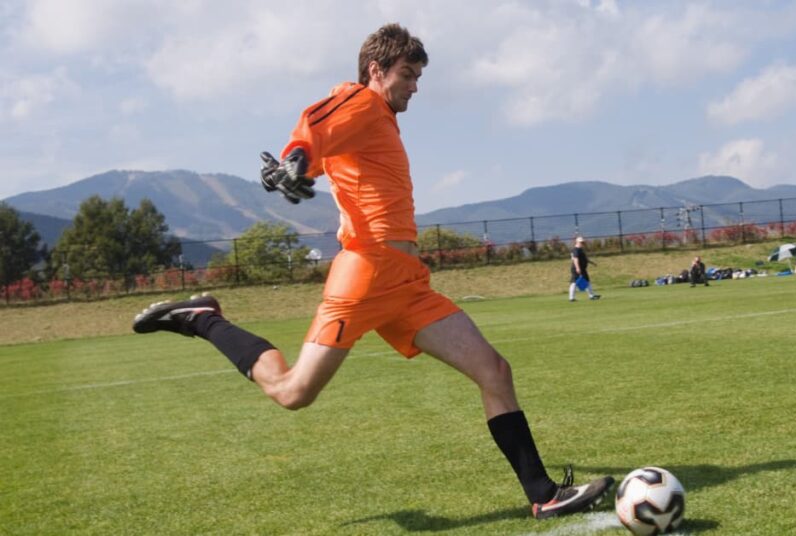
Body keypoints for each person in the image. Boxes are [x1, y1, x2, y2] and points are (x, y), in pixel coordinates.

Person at [131, 23, 612, 520]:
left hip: (405, 281)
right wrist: (296, 157)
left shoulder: (376, 120)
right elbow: (315, 124)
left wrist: (297, 167)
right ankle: (204, 318)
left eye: (419, 76)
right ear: (376, 70)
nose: (415, 86)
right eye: (408, 73)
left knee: (494, 370)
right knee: (294, 391)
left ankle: (545, 494)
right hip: (365, 273)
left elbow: (321, 152)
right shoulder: (361, 101)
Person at [568, 236, 600, 302]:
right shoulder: (576, 250)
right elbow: (575, 259)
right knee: (574, 283)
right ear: (577, 242)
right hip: (577, 269)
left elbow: (584, 258)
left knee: (587, 281)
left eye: (583, 242)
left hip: (582, 269)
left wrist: (592, 262)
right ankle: (571, 298)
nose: (582, 243)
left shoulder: (580, 249)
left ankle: (592, 295)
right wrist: (577, 268)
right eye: (581, 242)